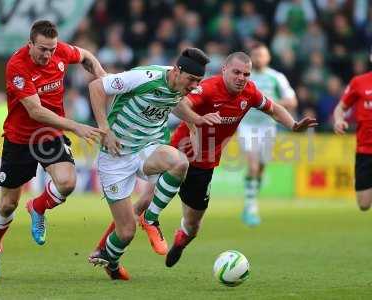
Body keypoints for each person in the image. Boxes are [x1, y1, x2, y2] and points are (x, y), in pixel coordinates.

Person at [94, 51, 317, 269]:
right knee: (142, 202)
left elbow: (275, 109)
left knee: (193, 225)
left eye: (246, 74)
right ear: (224, 70)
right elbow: (183, 104)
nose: (241, 78)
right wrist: (195, 125)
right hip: (179, 150)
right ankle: (111, 243)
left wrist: (293, 125)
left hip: (205, 163)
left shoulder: (250, 93)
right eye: (236, 72)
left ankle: (181, 239)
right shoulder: (207, 87)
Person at [0, 20, 106, 280]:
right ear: (30, 44)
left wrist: (103, 78)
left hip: (49, 135)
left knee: (67, 182)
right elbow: (36, 111)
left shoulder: (60, 50)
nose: (48, 55)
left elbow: (85, 56)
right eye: (42, 49)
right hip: (19, 140)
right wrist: (75, 126)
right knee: (7, 204)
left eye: (51, 49)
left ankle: (38, 206)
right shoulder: (17, 66)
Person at [87, 48, 222, 280]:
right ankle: (111, 260)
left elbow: (176, 103)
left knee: (179, 163)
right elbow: (96, 87)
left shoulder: (180, 85)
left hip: (147, 146)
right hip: (116, 154)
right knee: (126, 232)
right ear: (177, 71)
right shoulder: (144, 77)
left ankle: (150, 218)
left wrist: (196, 120)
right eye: (191, 80)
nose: (194, 86)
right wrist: (105, 130)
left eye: (198, 81)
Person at [237, 42, 297, 226]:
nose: (259, 58)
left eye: (262, 55)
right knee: (253, 166)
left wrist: (270, 102)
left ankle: (252, 196)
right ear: (250, 58)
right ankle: (251, 206)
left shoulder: (276, 77)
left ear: (268, 57)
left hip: (268, 128)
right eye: (255, 55)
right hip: (247, 126)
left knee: (261, 168)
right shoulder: (243, 77)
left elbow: (292, 101)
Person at [333, 57, 372, 211]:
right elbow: (340, 108)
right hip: (365, 150)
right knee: (363, 204)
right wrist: (338, 121)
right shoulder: (359, 82)